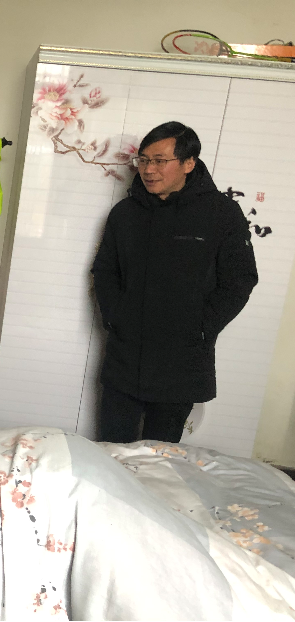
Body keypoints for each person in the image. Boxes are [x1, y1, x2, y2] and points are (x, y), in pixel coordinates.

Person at [91, 121, 258, 444]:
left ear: (188, 163)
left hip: (181, 360)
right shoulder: (125, 214)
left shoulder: (221, 213)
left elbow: (240, 279)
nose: (148, 170)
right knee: (110, 448)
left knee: (161, 455)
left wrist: (202, 327)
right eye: (143, 160)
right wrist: (115, 316)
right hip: (126, 356)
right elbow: (105, 270)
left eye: (159, 160)